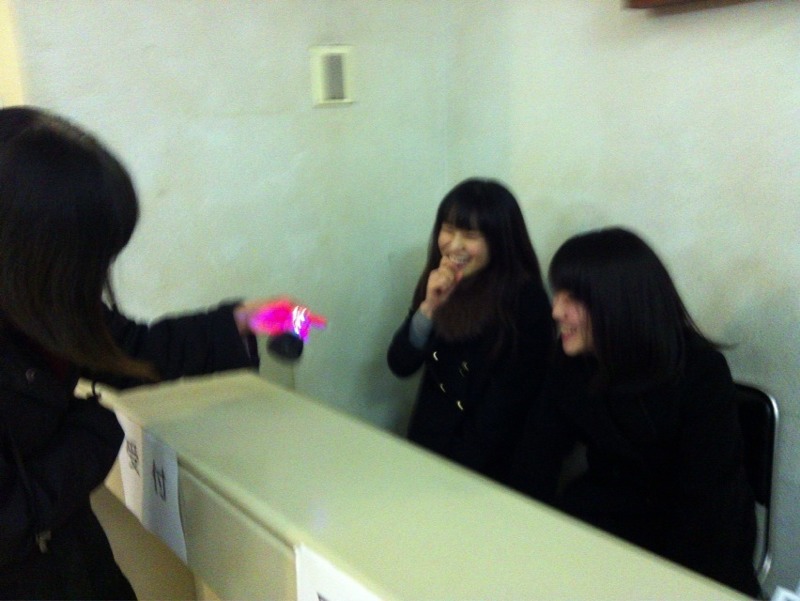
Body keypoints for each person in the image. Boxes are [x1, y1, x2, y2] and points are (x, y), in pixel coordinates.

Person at [0, 106, 278, 599]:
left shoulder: (42, 302)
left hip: (73, 560)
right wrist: (93, 429)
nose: (94, 278)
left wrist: (240, 322)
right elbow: (13, 517)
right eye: (85, 260)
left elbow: (126, 350)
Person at [506, 226, 759, 597]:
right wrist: (516, 533)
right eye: (557, 293)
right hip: (605, 527)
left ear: (617, 302)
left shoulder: (700, 373)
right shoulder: (572, 360)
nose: (556, 310)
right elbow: (535, 456)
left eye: (572, 297)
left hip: (685, 551)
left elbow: (710, 513)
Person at [387, 178, 552, 483]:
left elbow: (503, 411)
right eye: (448, 230)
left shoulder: (526, 301)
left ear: (499, 240)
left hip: (485, 470)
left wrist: (448, 477)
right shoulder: (441, 279)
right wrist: (429, 308)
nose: (454, 245)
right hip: (428, 450)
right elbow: (400, 363)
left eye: (470, 235)